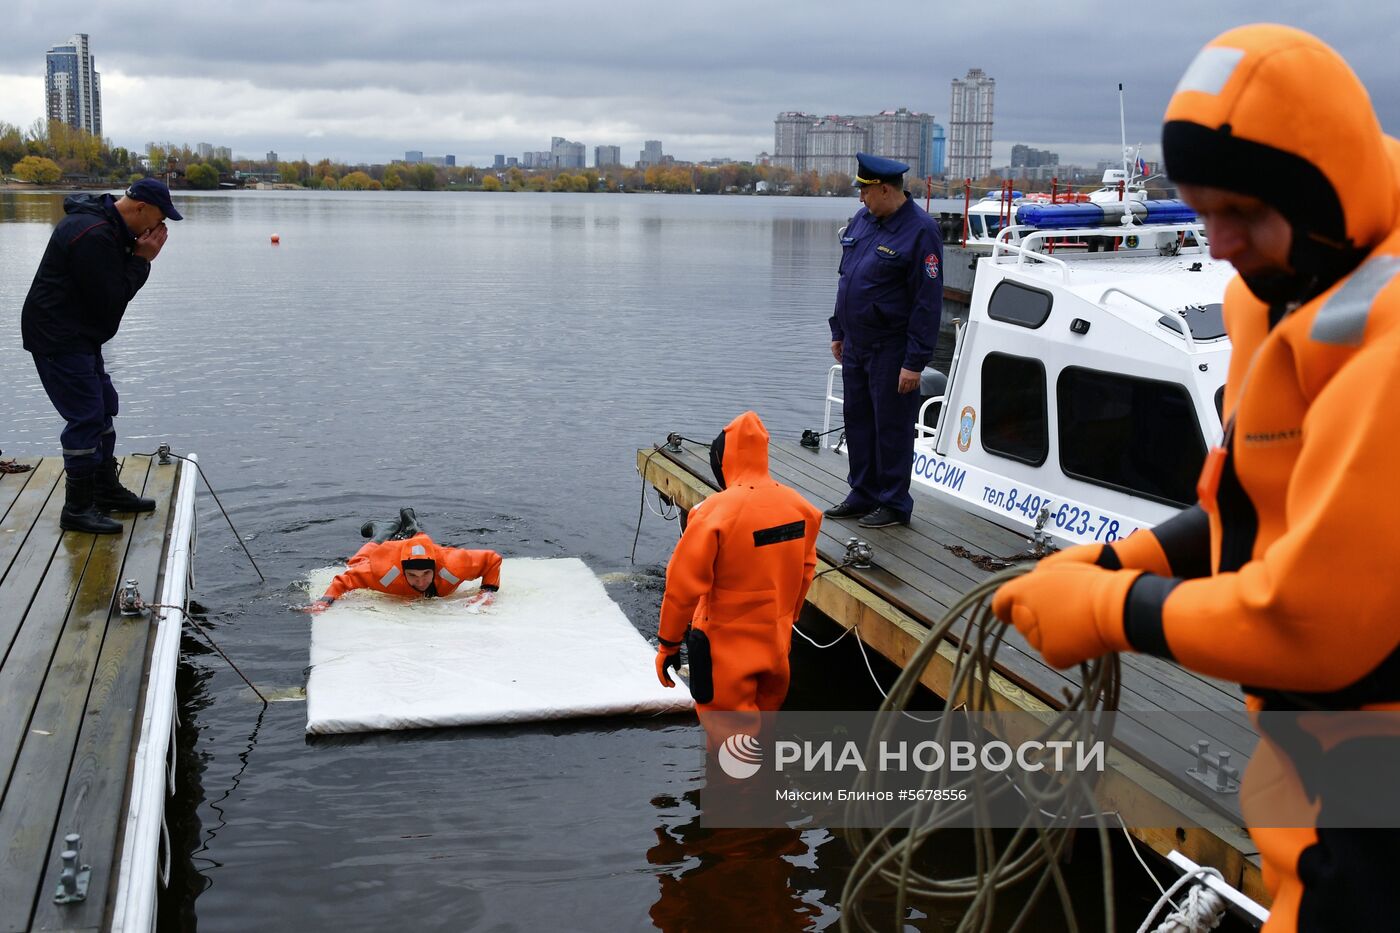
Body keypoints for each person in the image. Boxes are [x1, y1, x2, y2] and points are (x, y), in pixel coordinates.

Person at [991, 25, 1400, 932]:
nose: (1215, 244)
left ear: (1322, 194)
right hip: (1315, 776)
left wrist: (1106, 611)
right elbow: (1262, 498)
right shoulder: (1289, 283)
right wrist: (1121, 556)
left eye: (1242, 214)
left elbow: (1313, 623)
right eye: (1199, 210)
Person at [20, 178, 180, 534]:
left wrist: (133, 253)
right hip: (57, 336)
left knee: (104, 405)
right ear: (140, 208)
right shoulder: (94, 235)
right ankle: (77, 508)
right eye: (158, 217)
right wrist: (142, 259)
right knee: (86, 417)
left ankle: (105, 490)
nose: (160, 227)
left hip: (78, 333)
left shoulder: (108, 227)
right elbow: (111, 301)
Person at [654, 411, 821, 726]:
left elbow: (682, 588)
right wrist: (786, 619)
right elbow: (805, 572)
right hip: (776, 650)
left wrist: (668, 644)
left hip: (725, 658)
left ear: (723, 460)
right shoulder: (801, 509)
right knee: (762, 739)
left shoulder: (714, 515)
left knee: (733, 756)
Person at [825, 152, 944, 528]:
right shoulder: (864, 220)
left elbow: (927, 301)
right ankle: (863, 493)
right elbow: (847, 277)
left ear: (886, 189)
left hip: (892, 348)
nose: (861, 199)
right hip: (857, 345)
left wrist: (914, 361)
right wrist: (838, 330)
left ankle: (893, 503)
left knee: (891, 427)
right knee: (857, 421)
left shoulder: (920, 230)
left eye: (866, 192)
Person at [307, 508, 502, 612]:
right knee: (356, 563)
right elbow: (345, 579)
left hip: (435, 553)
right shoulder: (386, 573)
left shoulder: (454, 564)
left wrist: (487, 592)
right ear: (402, 572)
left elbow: (492, 560)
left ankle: (412, 527)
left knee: (424, 546)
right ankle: (384, 529)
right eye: (413, 576)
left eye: (426, 574)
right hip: (391, 555)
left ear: (434, 569)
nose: (421, 582)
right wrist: (324, 602)